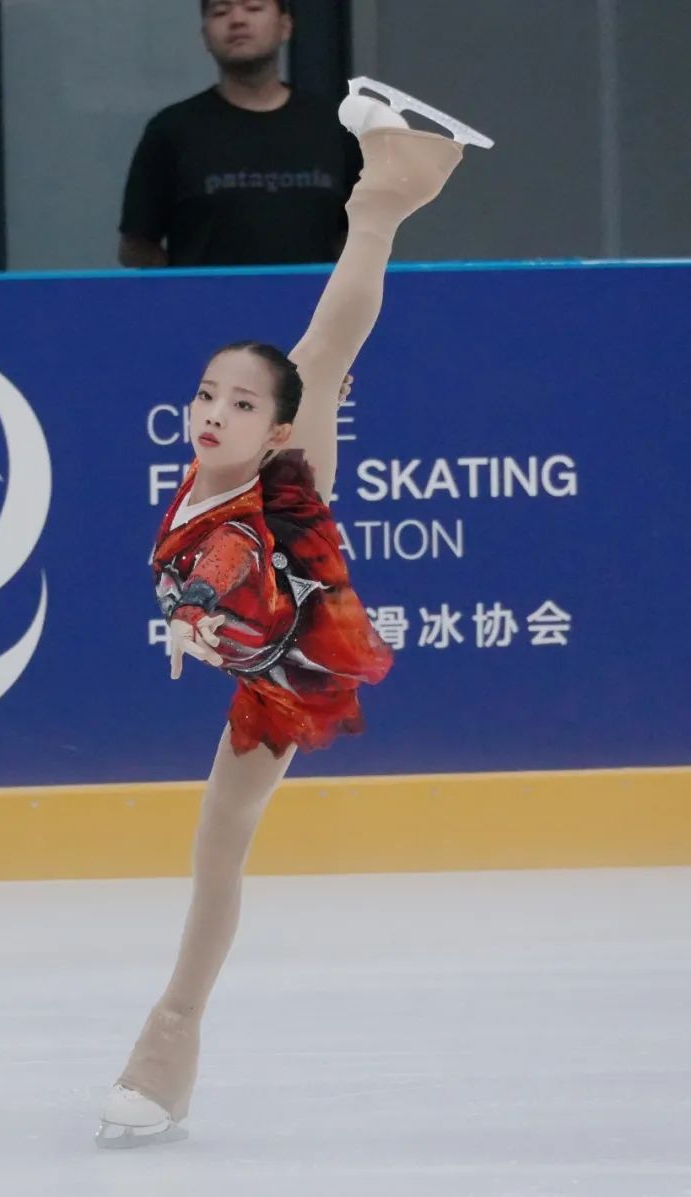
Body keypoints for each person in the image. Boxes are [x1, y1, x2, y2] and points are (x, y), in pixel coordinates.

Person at [97, 82, 493, 1147]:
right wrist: (191, 623)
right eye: (205, 394)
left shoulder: (274, 466)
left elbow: (319, 359)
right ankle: (391, 184)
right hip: (264, 639)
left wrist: (219, 610)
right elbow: (204, 579)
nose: (211, 412)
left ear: (267, 426)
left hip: (296, 657)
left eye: (236, 403)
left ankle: (168, 1038)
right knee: (215, 848)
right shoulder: (209, 471)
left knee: (323, 349)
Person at [118, 0, 359, 268]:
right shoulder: (171, 131)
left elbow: (357, 235)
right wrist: (183, 292)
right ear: (205, 36)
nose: (237, 20)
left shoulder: (336, 127)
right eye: (220, 12)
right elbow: (136, 246)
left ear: (285, 27)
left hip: (316, 308)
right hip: (206, 308)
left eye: (253, 8)